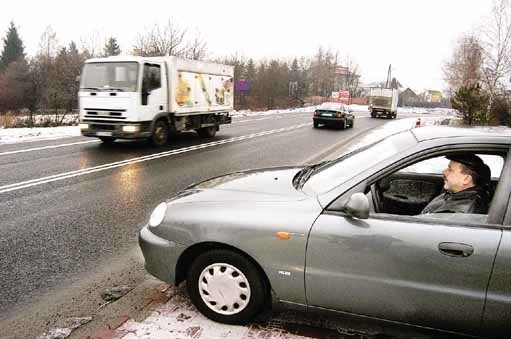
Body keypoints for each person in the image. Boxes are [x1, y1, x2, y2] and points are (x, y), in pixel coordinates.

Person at [421, 153, 491, 214]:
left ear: (466, 179)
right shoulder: (456, 194)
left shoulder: (457, 212)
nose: (444, 172)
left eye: (450, 170)